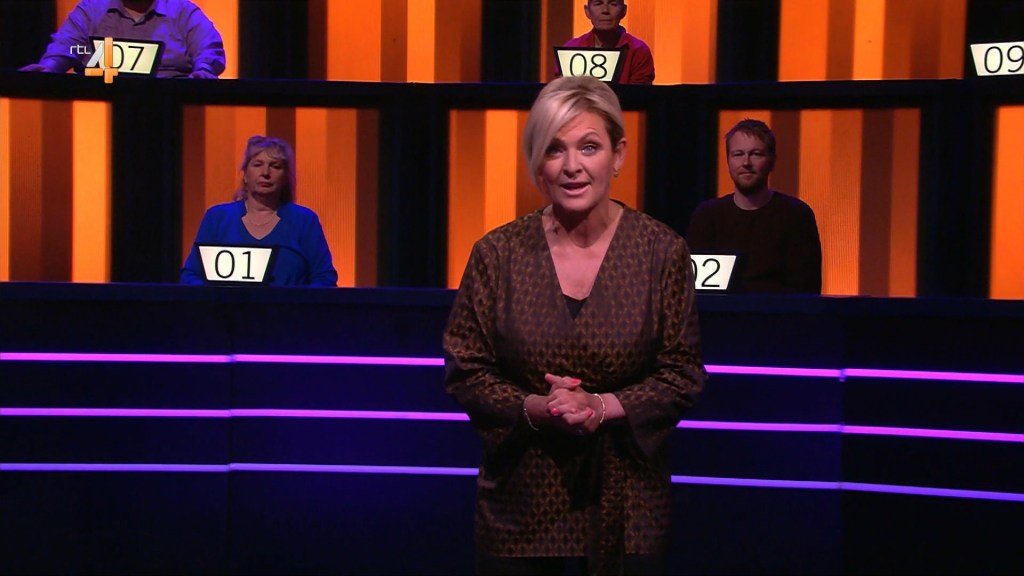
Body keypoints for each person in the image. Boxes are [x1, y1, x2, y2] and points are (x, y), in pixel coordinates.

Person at [443, 76, 705, 575]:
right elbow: (466, 370)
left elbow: (681, 374)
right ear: (536, 161)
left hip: (629, 502)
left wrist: (600, 407)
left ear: (618, 154)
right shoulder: (496, 254)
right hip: (520, 499)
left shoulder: (661, 252)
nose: (571, 166)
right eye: (554, 149)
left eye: (589, 147)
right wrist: (538, 408)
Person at [686, 119, 823, 294]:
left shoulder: (797, 215)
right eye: (738, 154)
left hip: (779, 311)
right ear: (728, 161)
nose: (746, 163)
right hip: (719, 312)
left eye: (756, 154)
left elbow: (807, 290)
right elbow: (694, 288)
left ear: (772, 161)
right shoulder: (707, 216)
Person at [181, 136, 338, 287]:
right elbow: (191, 275)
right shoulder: (217, 218)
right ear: (245, 174)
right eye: (257, 164)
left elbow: (325, 278)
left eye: (275, 166)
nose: (265, 173)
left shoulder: (305, 221)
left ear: (285, 177)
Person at [20, 0, 225, 78]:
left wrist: (204, 72)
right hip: (99, 107)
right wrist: (49, 67)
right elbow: (67, 48)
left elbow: (208, 51)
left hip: (167, 108)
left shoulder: (184, 12)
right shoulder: (90, 10)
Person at [556, 0, 655, 85]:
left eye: (613, 4)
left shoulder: (638, 51)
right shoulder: (571, 48)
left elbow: (639, 97)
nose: (605, 10)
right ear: (587, 11)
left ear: (624, 11)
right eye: (598, 3)